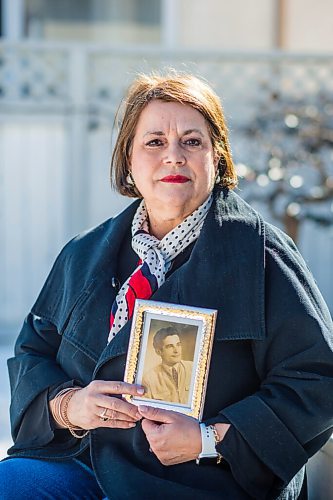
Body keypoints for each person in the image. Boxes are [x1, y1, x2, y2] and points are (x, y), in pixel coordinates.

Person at [0, 71, 333, 500]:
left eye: (192, 142)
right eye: (154, 141)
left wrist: (209, 439)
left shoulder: (264, 254)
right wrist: (70, 406)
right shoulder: (83, 253)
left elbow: (316, 379)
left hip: (206, 478)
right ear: (129, 160)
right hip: (84, 461)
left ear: (218, 158)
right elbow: (33, 351)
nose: (173, 156)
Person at [142, 326, 193, 404]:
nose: (176, 350)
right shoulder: (149, 379)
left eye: (178, 345)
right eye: (170, 346)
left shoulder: (193, 369)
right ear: (159, 352)